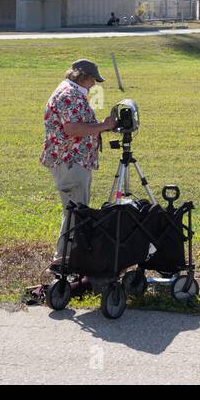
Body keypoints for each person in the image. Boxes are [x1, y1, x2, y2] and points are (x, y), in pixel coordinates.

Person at [40, 59, 117, 261]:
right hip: (70, 160)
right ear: (82, 77)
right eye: (92, 80)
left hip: (71, 159)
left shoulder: (69, 91)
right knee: (76, 212)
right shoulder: (70, 95)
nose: (94, 85)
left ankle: (69, 256)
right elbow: (73, 129)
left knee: (76, 210)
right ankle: (65, 259)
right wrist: (103, 126)